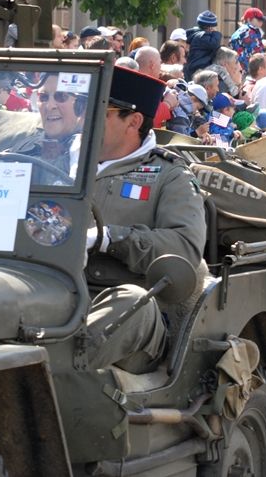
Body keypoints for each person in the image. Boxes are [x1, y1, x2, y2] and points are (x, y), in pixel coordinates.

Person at [83, 67, 206, 372]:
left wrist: (110, 238)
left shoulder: (170, 176)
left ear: (133, 121)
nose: (85, 118)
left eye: (101, 111)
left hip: (127, 310)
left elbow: (185, 248)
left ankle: (54, 376)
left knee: (132, 302)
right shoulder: (63, 162)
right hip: (55, 293)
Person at [13, 74, 85, 184]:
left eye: (61, 96)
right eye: (44, 97)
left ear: (82, 105)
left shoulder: (95, 156)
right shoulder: (22, 151)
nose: (50, 106)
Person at [229, 7, 266, 72]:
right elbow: (256, 53)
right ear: (249, 19)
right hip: (246, 69)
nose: (261, 22)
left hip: (240, 68)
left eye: (262, 20)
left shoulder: (247, 30)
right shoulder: (248, 31)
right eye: (259, 20)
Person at [184, 10, 221, 80]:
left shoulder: (194, 34)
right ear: (210, 27)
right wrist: (216, 34)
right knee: (221, 70)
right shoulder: (202, 36)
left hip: (193, 68)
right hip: (198, 68)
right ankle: (234, 89)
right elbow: (215, 44)